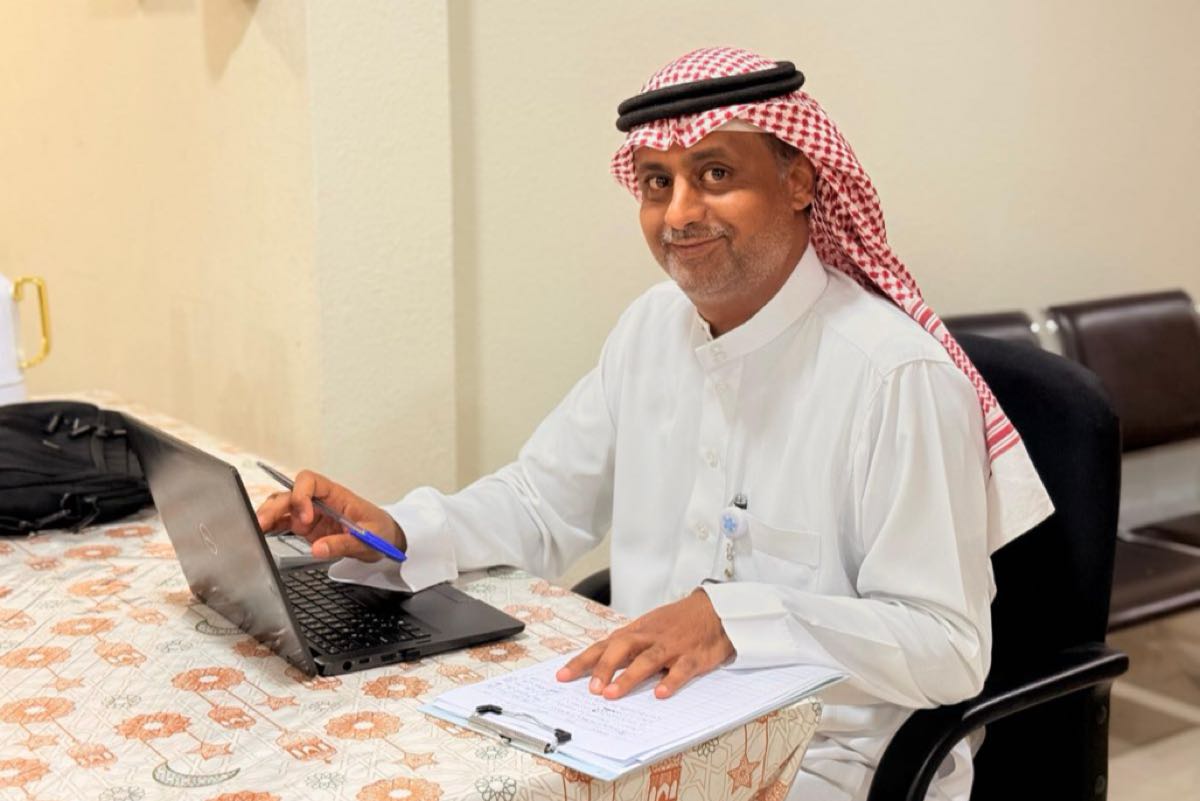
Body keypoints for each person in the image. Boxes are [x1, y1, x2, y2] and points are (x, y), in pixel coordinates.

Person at [256, 47, 1053, 801]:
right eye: (655, 182)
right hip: (633, 730)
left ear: (801, 180)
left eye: (715, 174)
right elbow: (541, 500)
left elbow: (948, 647)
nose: (680, 213)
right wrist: (397, 531)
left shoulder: (895, 377)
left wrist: (734, 620)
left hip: (822, 762)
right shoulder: (651, 328)